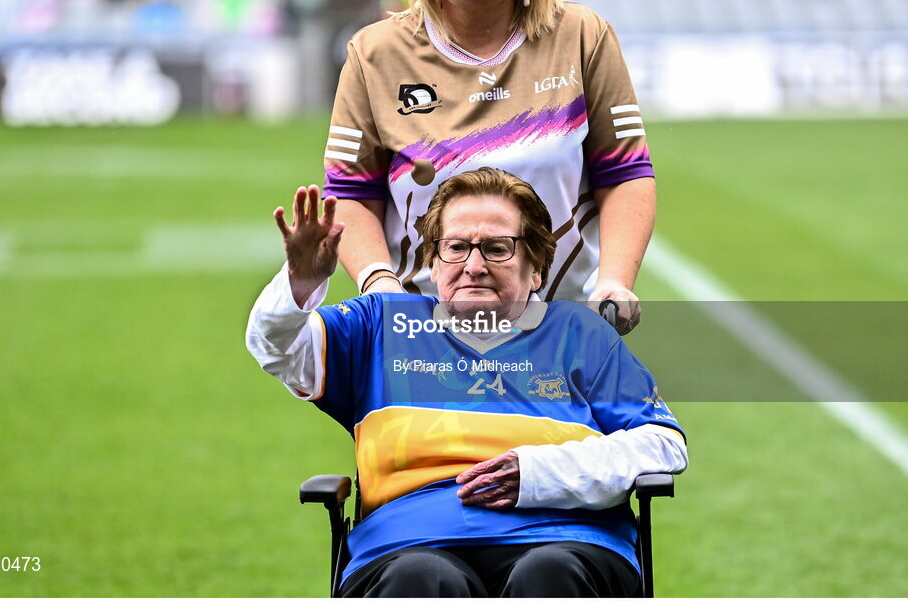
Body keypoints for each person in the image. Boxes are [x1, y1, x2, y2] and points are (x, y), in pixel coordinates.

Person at [246, 168, 687, 597]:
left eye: (497, 248)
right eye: (455, 247)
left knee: (549, 573)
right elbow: (279, 349)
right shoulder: (381, 325)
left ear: (536, 269)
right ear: (433, 266)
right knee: (421, 580)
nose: (473, 266)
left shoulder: (580, 333)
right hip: (405, 543)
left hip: (567, 537)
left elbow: (663, 444)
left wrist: (539, 476)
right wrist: (299, 284)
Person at [322, 0, 655, 334]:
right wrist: (378, 284)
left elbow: (625, 173)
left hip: (564, 331)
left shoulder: (583, 36)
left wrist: (615, 282)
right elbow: (350, 192)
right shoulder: (374, 53)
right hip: (424, 336)